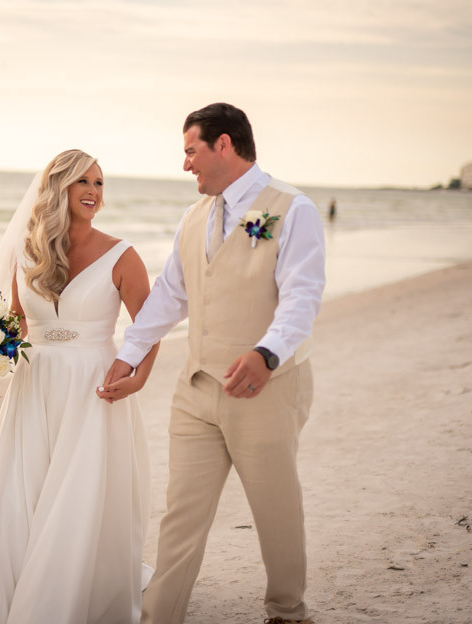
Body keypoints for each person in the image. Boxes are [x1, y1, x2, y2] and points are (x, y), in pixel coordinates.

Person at [99, 103, 326, 624]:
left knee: (275, 509)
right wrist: (129, 354)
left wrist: (267, 354)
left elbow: (302, 296)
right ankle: (160, 617)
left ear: (224, 144)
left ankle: (288, 611)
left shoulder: (293, 209)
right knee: (181, 514)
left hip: (266, 389)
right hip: (197, 388)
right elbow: (170, 295)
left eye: (191, 151)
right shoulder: (194, 216)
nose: (185, 165)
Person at [0, 149, 159, 624]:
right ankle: (18, 576)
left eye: (99, 183)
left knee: (80, 488)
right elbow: (16, 323)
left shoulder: (122, 255)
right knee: (26, 484)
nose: (94, 191)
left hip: (93, 385)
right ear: (58, 188)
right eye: (83, 182)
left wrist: (138, 376)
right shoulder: (26, 252)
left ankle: (70, 588)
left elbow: (149, 326)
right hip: (34, 383)